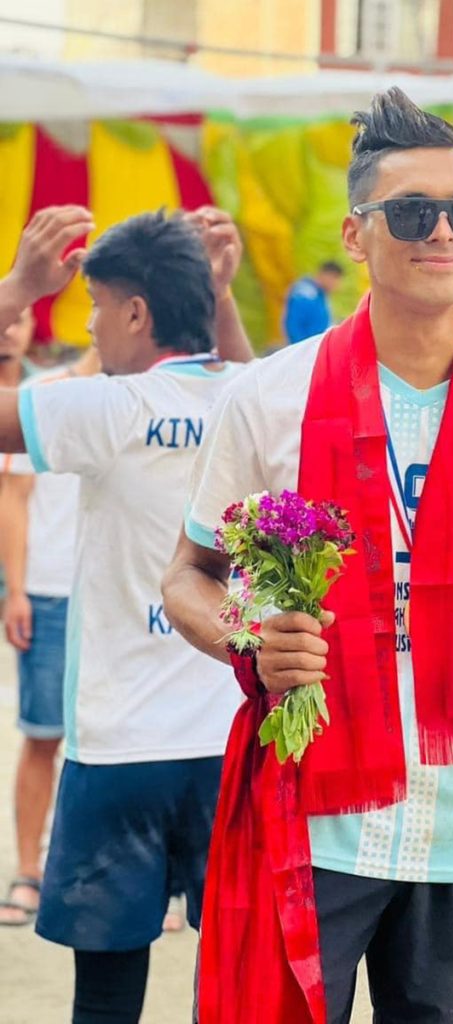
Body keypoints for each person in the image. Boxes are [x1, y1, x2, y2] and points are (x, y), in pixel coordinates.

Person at [162, 87, 453, 1024]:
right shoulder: (269, 398)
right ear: (356, 233)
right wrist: (250, 636)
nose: (444, 232)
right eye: (412, 213)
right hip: (312, 816)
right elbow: (188, 577)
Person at [0, 203, 253, 1023]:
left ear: (137, 313)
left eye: (96, 304)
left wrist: (16, 291)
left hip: (121, 750)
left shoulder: (108, 406)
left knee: (106, 1001)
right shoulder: (251, 397)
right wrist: (221, 298)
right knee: (239, 985)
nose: (89, 324)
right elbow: (252, 384)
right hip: (234, 745)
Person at [0, 344, 99, 928]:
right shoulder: (45, 395)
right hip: (51, 591)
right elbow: (15, 498)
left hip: (124, 595)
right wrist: (16, 590)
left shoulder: (153, 393)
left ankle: (114, 873)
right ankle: (28, 871)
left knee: (121, 740)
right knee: (43, 735)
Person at [282, 260, 344, 343]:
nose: (337, 284)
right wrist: (301, 347)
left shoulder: (320, 294)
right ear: (325, 275)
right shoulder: (306, 293)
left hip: (314, 345)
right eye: (335, 279)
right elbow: (294, 324)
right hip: (305, 346)